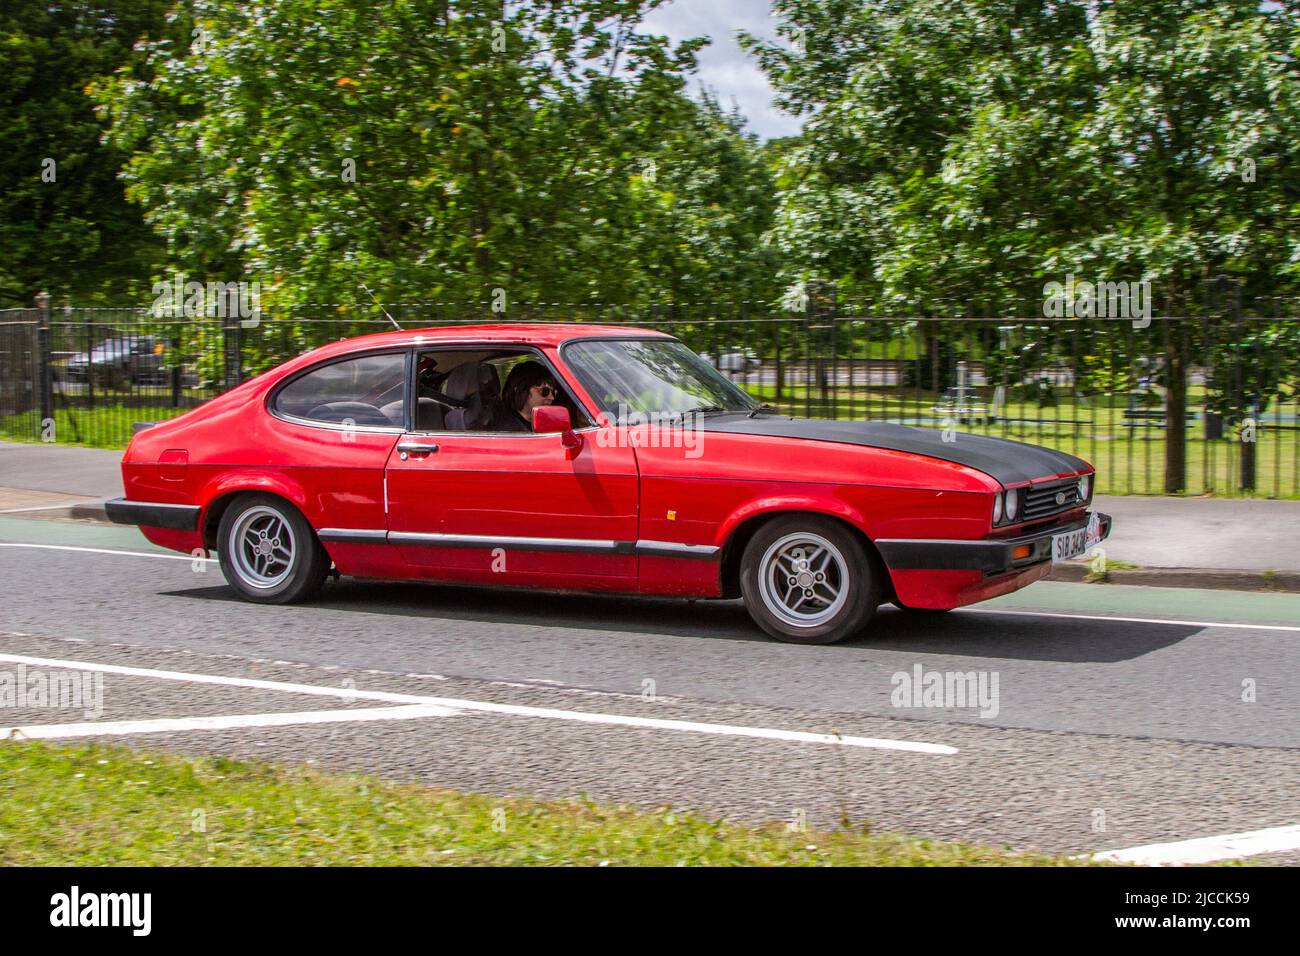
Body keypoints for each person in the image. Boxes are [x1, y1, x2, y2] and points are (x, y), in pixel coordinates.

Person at [494, 360, 559, 432]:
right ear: (521, 390)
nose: (551, 397)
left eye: (553, 392)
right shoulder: (510, 430)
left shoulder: (534, 423)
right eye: (545, 391)